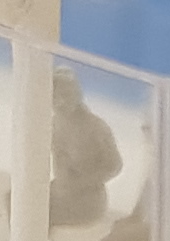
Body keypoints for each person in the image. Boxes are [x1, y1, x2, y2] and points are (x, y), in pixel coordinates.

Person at [47, 70, 123, 230]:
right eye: (55, 96)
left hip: (87, 202)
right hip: (59, 191)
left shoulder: (95, 127)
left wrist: (81, 184)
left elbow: (115, 165)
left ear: (77, 95)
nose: (60, 102)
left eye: (66, 95)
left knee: (39, 214)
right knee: (14, 200)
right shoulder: (54, 124)